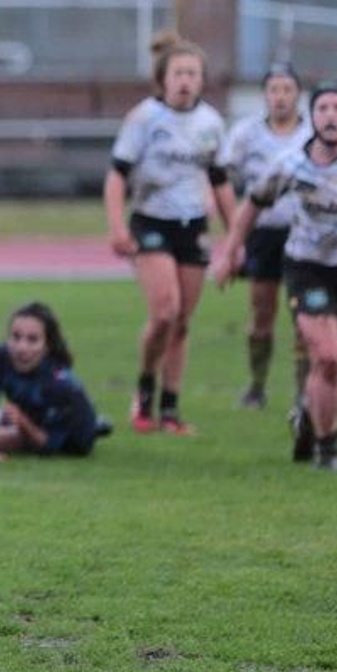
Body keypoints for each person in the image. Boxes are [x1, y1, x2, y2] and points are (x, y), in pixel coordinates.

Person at [212, 81, 337, 471]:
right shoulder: (291, 161)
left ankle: (309, 423)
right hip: (306, 266)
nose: (331, 116)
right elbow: (252, 205)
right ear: (311, 117)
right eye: (323, 109)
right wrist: (230, 252)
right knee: (327, 357)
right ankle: (328, 450)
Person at [104, 31, 236, 435]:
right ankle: (144, 390)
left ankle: (171, 410)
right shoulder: (144, 118)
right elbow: (116, 175)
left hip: (192, 225)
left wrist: (234, 241)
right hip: (151, 222)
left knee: (181, 322)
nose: (185, 80)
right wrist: (116, 226)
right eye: (178, 72)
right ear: (163, 78)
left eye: (192, 73)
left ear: (201, 79)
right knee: (164, 311)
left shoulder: (211, 123)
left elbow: (220, 181)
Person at [218, 63, 311, 410]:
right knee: (262, 313)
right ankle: (257, 385)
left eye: (287, 89)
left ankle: (303, 392)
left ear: (297, 94)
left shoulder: (312, 134)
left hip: (303, 234)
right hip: (262, 234)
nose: (281, 97)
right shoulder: (246, 134)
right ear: (265, 95)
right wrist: (233, 227)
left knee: (305, 316)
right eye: (274, 90)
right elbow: (221, 175)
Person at [0, 302, 103, 462]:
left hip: (70, 440)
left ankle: (96, 425)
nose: (21, 347)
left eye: (32, 340)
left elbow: (49, 444)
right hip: (31, 416)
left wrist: (23, 423)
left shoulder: (59, 384)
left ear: (47, 346)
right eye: (16, 337)